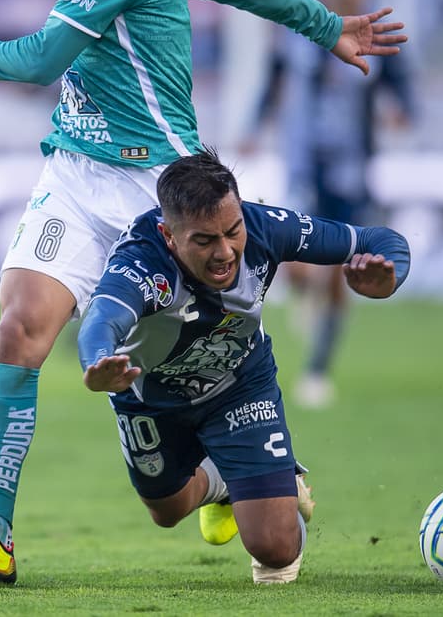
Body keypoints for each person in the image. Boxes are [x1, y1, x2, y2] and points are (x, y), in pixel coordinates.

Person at [0, 0, 407, 585]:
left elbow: (39, 60)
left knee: (184, 381)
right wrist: (319, 23)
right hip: (75, 174)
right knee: (19, 332)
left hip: (160, 191)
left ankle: (241, 469)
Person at [76, 150, 410, 583]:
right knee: (168, 510)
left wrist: (390, 277)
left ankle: (272, 485)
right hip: (149, 395)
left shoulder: (265, 226)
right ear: (169, 235)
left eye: (232, 232)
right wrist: (99, 361)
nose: (225, 251)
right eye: (204, 240)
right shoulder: (142, 261)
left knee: (275, 552)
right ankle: (227, 484)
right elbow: (101, 320)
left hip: (239, 384)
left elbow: (382, 241)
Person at [251, 0, 416, 408]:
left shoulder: (380, 37)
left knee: (348, 267)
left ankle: (318, 369)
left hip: (351, 169)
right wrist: (254, 126)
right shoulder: (298, 31)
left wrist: (403, 111)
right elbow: (273, 81)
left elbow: (401, 87)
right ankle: (305, 294)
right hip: (303, 163)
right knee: (299, 266)